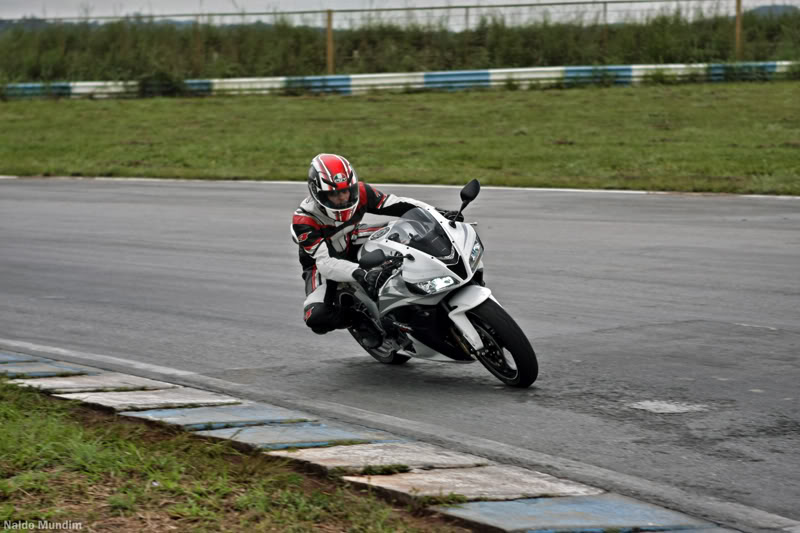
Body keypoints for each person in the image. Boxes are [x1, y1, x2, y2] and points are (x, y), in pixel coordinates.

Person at [291, 153, 436, 348]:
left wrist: (437, 214)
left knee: (406, 228)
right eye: (334, 194)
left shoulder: (360, 192)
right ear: (318, 194)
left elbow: (397, 204)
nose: (343, 198)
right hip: (322, 263)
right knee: (316, 317)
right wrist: (361, 274)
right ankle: (359, 321)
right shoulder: (304, 220)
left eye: (347, 191)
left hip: (353, 237)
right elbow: (325, 263)